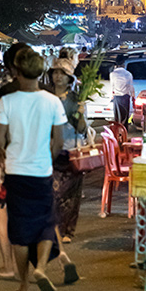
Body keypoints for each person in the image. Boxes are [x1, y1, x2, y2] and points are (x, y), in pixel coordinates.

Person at [0, 47, 67, 291]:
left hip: (16, 172)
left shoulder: (7, 101)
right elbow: (58, 142)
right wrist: (47, 159)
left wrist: (0, 154)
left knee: (20, 232)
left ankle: (24, 287)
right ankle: (42, 268)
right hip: (41, 171)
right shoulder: (53, 101)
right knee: (46, 222)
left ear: (18, 72)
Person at [0, 42, 31, 279]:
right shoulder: (43, 91)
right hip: (34, 161)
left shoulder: (6, 89)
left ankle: (9, 266)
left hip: (8, 158)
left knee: (3, 212)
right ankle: (36, 267)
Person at [46, 57, 87, 244]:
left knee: (70, 194)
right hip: (48, 149)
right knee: (52, 192)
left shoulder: (75, 99)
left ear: (69, 78)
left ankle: (67, 231)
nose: (58, 76)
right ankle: (52, 229)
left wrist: (80, 114)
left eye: (62, 73)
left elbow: (82, 129)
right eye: (55, 72)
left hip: (70, 150)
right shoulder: (45, 97)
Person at [110, 54, 135, 125]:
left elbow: (112, 86)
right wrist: (133, 96)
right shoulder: (128, 74)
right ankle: (124, 129)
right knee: (125, 116)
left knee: (117, 116)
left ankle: (118, 129)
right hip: (125, 97)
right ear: (124, 63)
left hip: (116, 96)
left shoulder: (112, 74)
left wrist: (111, 96)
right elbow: (130, 86)